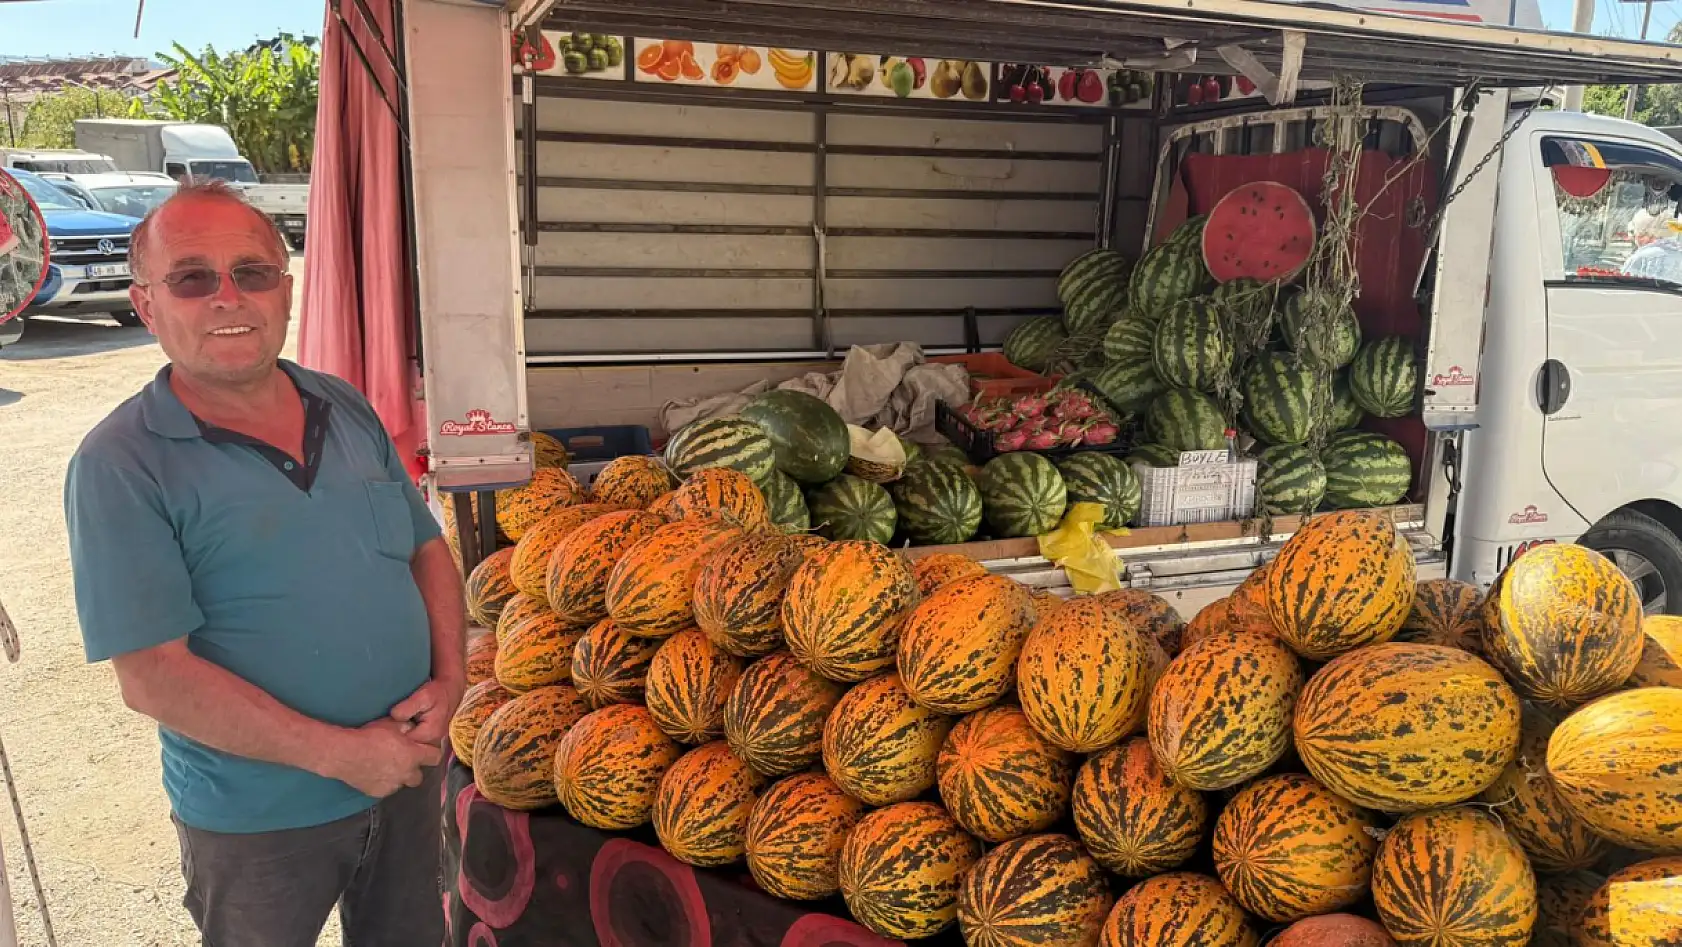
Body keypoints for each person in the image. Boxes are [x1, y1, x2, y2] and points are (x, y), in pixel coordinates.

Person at [62, 180, 464, 947]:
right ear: (146, 305)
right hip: (259, 821)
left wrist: (451, 682)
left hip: (408, 776)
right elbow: (153, 676)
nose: (227, 297)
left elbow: (425, 549)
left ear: (284, 289)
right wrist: (344, 756)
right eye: (192, 277)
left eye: (251, 272)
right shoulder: (121, 463)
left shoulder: (343, 405)